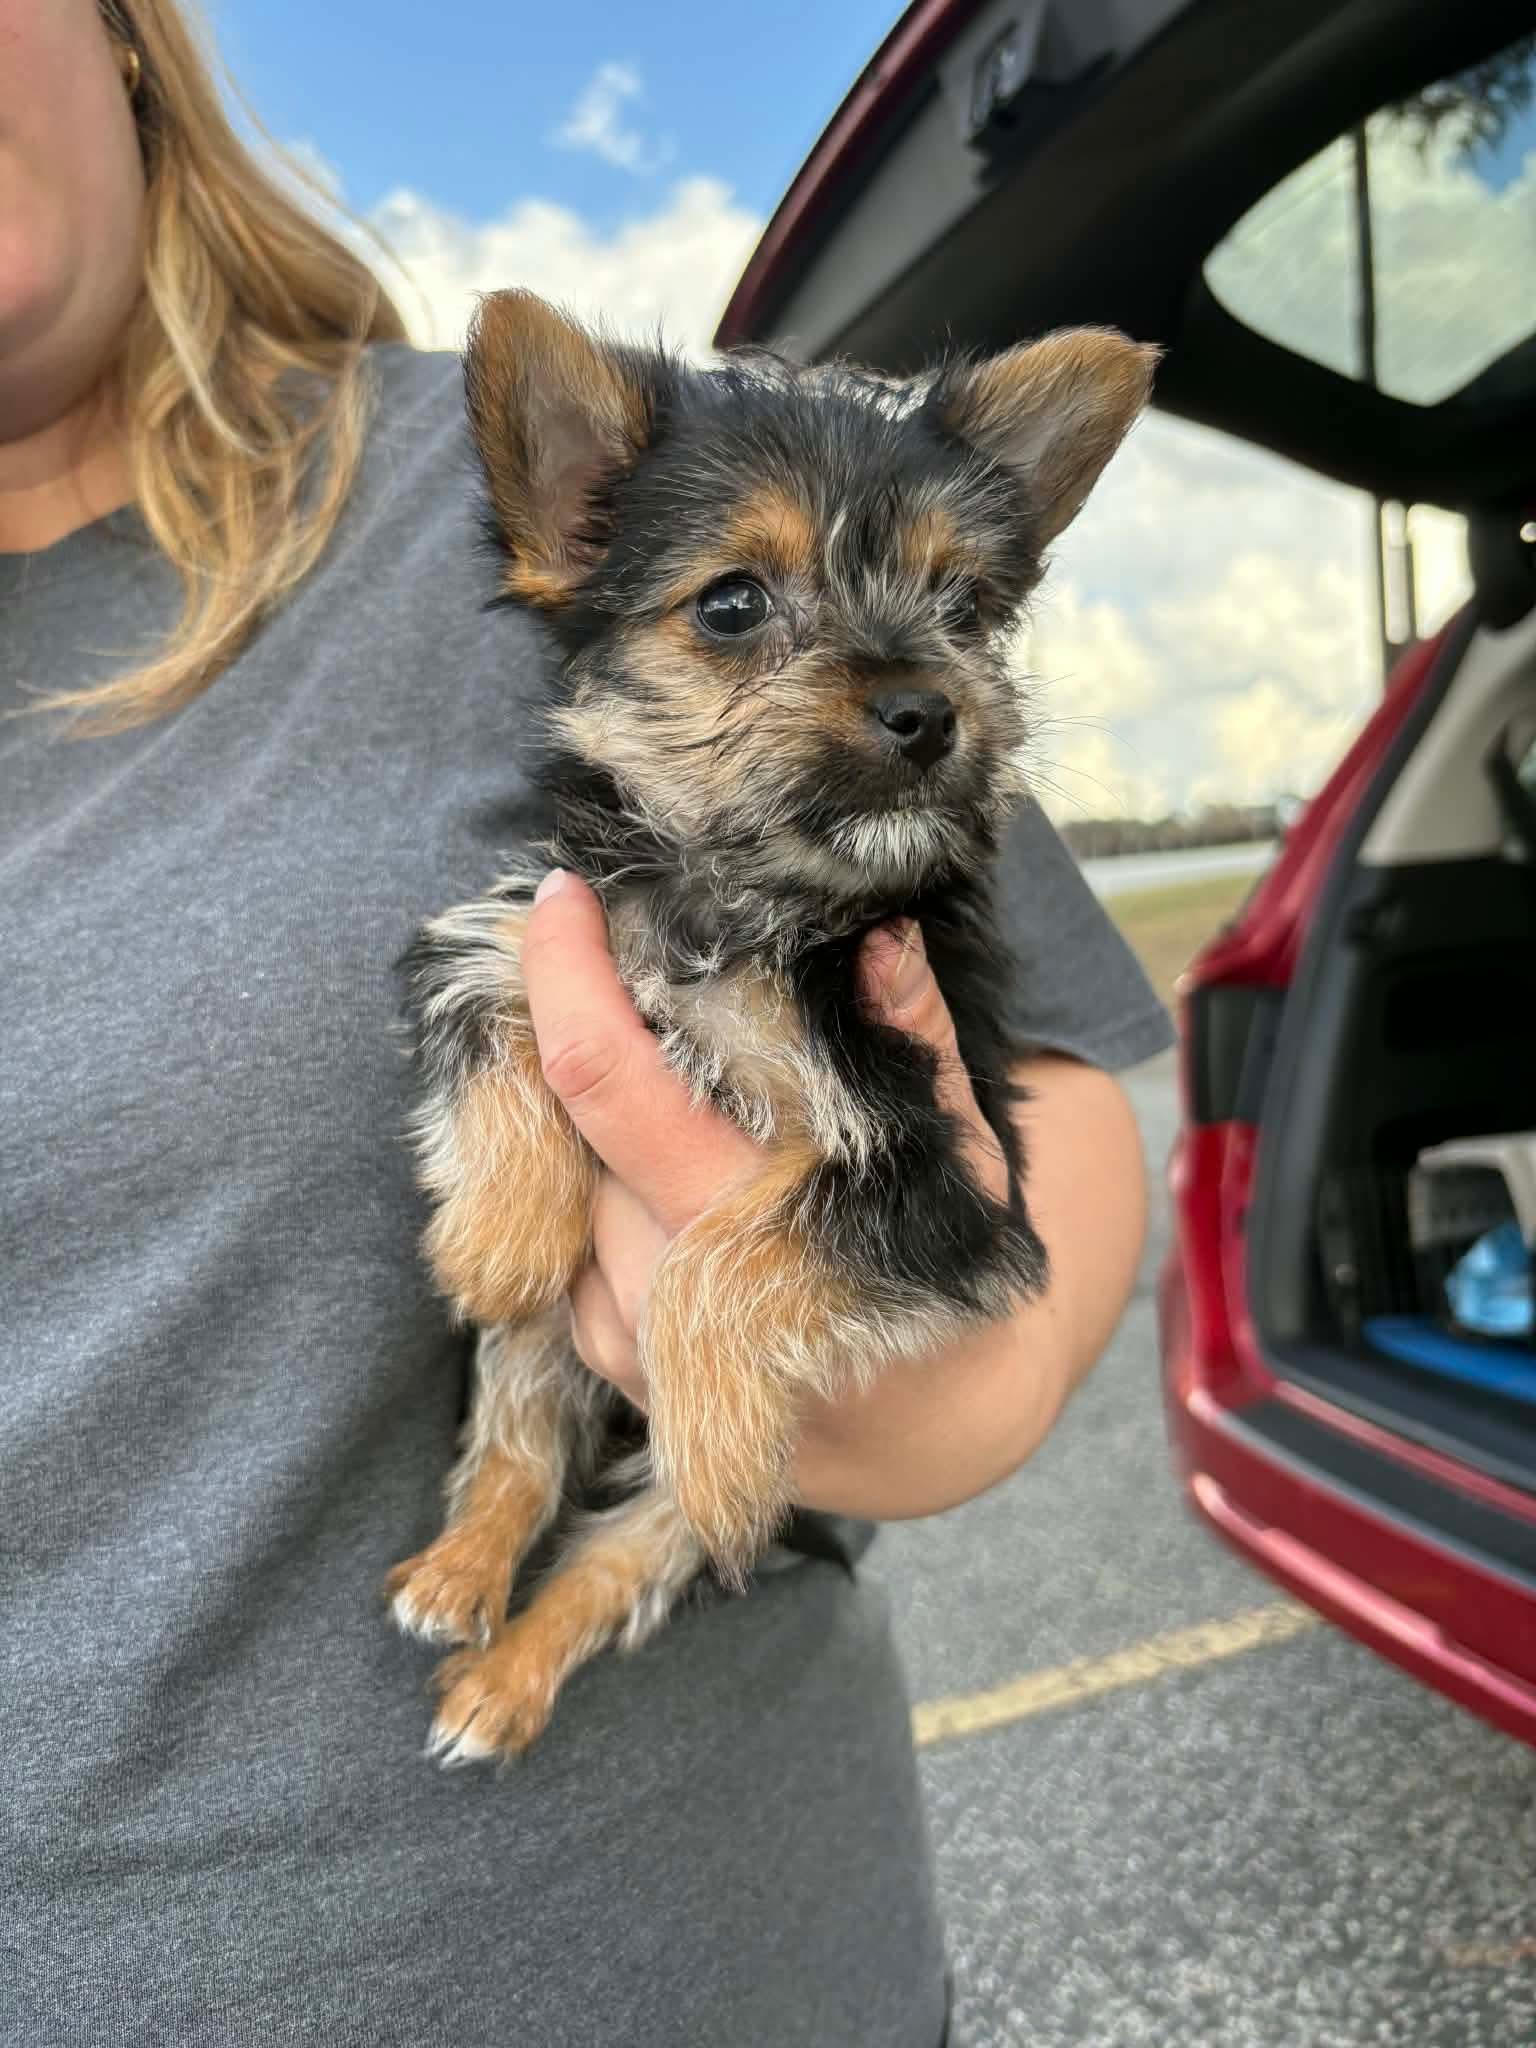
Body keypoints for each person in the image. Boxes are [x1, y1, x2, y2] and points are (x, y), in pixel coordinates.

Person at [0, 3, 1172, 2042]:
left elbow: (1047, 1078)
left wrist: (956, 1370)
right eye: (740, 612)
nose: (865, 661)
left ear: (119, 35)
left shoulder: (614, 472)